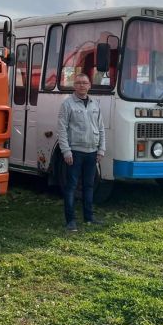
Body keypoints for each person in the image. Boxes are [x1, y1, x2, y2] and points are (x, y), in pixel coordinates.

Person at [57, 73, 106, 231]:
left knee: (89, 186)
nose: (82, 86)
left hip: (92, 152)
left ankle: (89, 217)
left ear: (89, 85)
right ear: (74, 86)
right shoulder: (67, 104)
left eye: (85, 83)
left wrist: (101, 150)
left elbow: (101, 128)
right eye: (78, 83)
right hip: (75, 152)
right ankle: (70, 221)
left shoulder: (95, 104)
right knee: (71, 187)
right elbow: (62, 129)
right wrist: (66, 151)